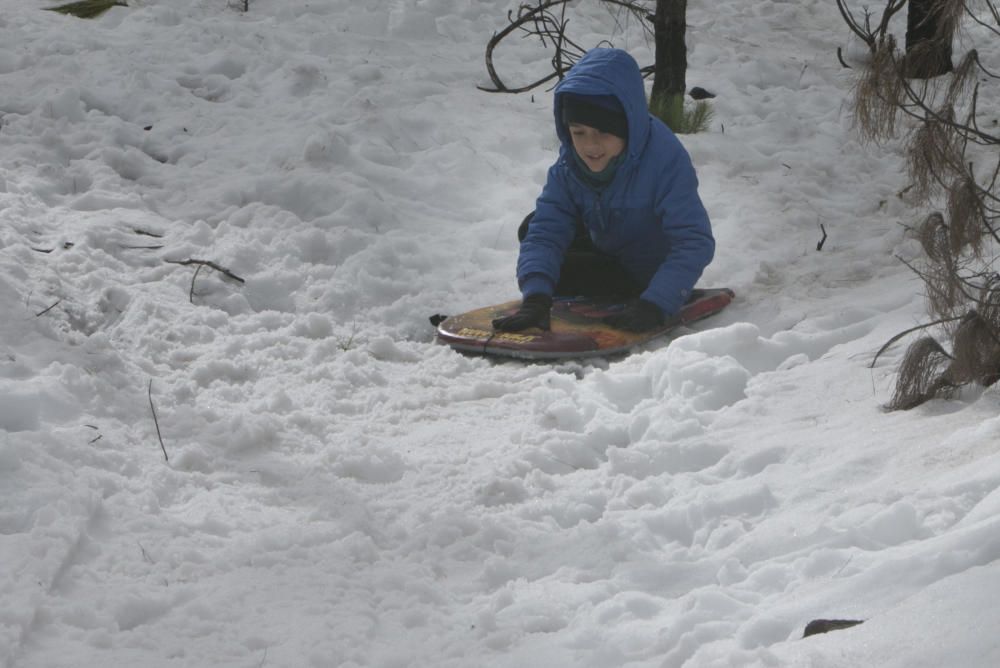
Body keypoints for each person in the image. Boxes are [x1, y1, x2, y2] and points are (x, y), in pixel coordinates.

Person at [492, 48, 715, 333]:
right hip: (610, 241)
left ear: (628, 127)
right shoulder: (569, 164)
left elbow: (694, 240)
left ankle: (639, 290)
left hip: (648, 269)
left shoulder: (665, 160)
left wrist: (656, 303)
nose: (590, 147)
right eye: (579, 132)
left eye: (604, 132)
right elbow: (547, 229)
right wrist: (535, 298)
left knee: (567, 269)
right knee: (534, 226)